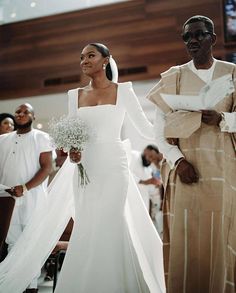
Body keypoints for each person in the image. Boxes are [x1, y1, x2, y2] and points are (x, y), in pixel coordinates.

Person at [0, 44, 165, 293]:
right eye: (81, 57)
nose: (84, 61)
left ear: (106, 61)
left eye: (90, 56)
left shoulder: (124, 91)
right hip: (85, 169)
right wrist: (72, 151)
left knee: (112, 221)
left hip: (114, 166)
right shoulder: (73, 95)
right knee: (87, 224)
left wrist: (171, 131)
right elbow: (73, 138)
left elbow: (145, 128)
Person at [147, 15, 236, 293]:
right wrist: (179, 161)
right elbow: (158, 132)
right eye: (187, 37)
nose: (192, 41)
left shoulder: (232, 73)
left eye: (198, 35)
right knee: (188, 237)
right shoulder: (173, 76)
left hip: (224, 169)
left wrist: (221, 119)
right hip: (185, 170)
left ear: (213, 38)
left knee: (221, 236)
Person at [0, 103, 53, 293]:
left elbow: (47, 167)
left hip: (33, 198)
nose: (21, 114)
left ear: (33, 116)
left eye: (26, 112)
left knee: (31, 243)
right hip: (7, 199)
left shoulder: (42, 137)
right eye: (18, 112)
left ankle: (31, 287)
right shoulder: (3, 140)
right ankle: (14, 286)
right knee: (13, 243)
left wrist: (25, 187)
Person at [0, 113, 15, 261]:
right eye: (6, 123)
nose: (10, 126)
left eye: (11, 124)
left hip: (8, 197)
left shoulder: (13, 145)